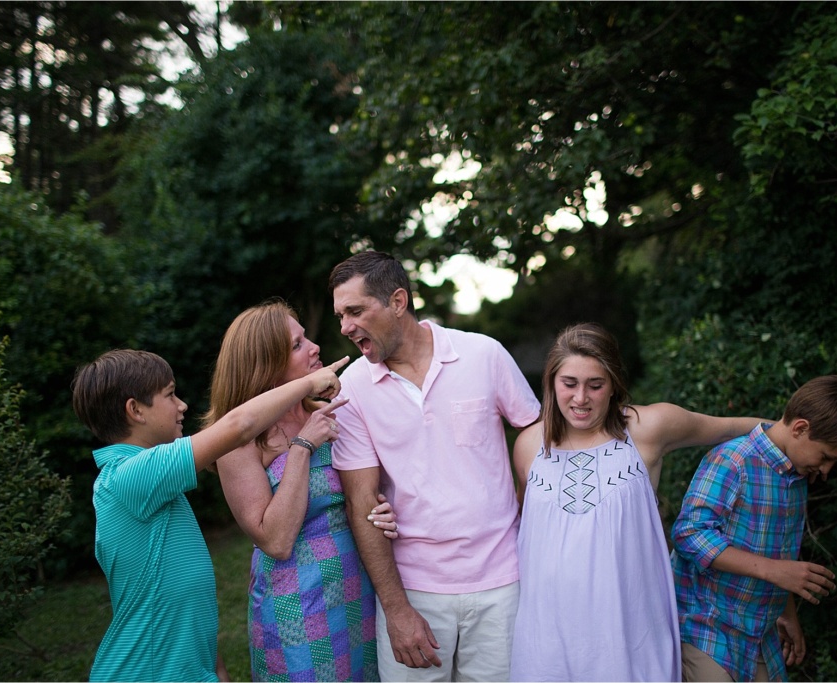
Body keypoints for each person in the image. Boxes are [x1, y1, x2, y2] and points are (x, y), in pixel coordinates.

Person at [509, 323, 768, 682]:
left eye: (595, 385)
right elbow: (527, 531)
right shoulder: (528, 446)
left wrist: (793, 433)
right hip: (546, 639)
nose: (581, 398)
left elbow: (729, 427)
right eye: (569, 383)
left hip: (630, 636)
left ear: (614, 384)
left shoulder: (647, 429)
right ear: (551, 383)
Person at [329, 250, 542, 682]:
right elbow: (361, 502)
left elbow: (536, 440)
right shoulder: (351, 388)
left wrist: (526, 507)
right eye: (340, 316)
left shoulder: (483, 354)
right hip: (415, 589)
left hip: (503, 581)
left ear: (397, 301)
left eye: (355, 311)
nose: (345, 327)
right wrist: (396, 609)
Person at [71, 348, 346, 682]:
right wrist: (307, 384)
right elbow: (240, 426)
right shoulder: (131, 477)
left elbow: (180, 595)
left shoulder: (149, 485)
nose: (182, 405)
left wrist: (216, 670)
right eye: (169, 395)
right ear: (135, 410)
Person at [203, 301, 399, 682]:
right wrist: (301, 448)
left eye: (306, 338)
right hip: (296, 606)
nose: (314, 347)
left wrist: (382, 508)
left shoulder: (330, 411)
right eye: (297, 345)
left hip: (357, 589)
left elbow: (361, 493)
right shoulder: (239, 444)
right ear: (266, 365)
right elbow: (276, 541)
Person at [671, 374, 837, 683]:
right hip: (707, 626)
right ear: (800, 428)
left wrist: (786, 612)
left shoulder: (796, 476)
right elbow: (689, 533)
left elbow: (779, 553)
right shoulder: (733, 460)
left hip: (757, 633)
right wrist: (774, 571)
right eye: (825, 457)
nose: (826, 470)